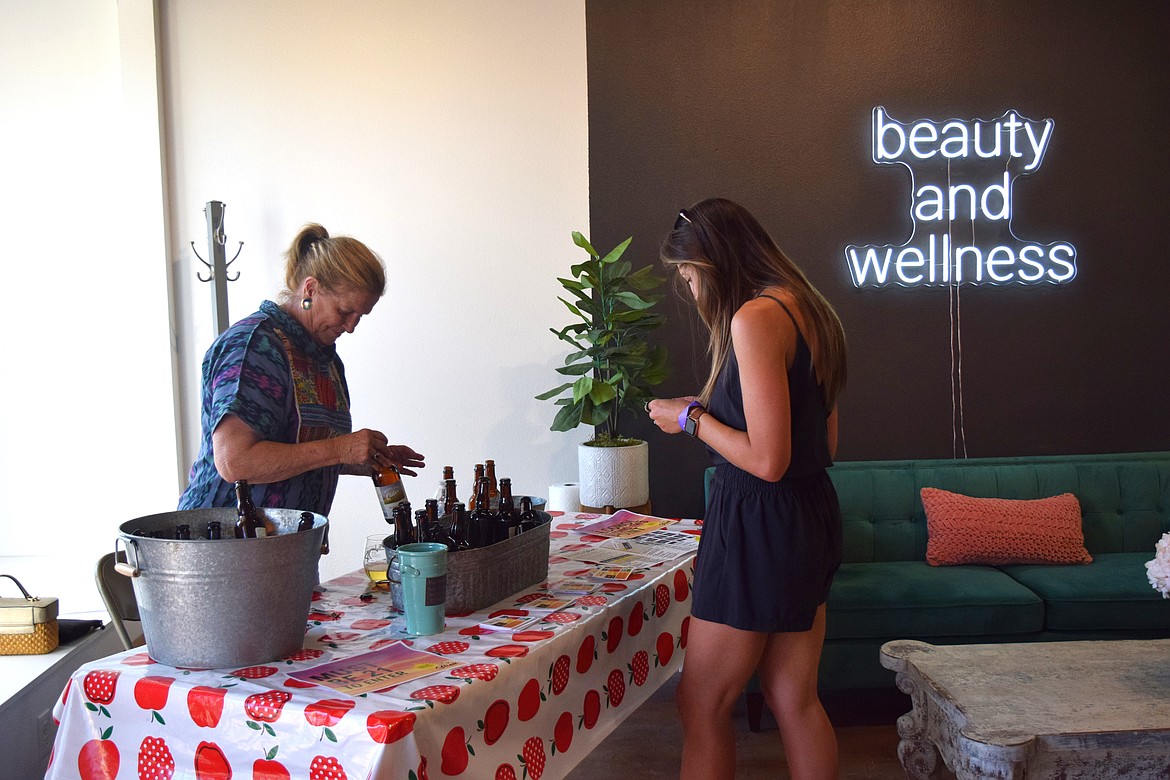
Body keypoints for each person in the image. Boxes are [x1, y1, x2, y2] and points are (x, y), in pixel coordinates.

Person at [646, 198, 847, 779]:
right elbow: (822, 446)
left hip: (759, 527)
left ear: (711, 264)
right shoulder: (812, 309)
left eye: (686, 274)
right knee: (795, 698)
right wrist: (709, 411)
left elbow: (767, 460)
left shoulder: (754, 318)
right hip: (806, 518)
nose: (686, 288)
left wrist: (691, 420)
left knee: (701, 702)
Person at [179, 223, 424, 516]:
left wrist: (363, 458)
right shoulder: (254, 347)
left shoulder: (326, 362)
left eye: (361, 316)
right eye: (345, 311)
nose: (351, 327)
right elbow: (235, 462)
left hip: (286, 548)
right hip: (223, 546)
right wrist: (341, 449)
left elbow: (297, 448)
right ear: (310, 289)